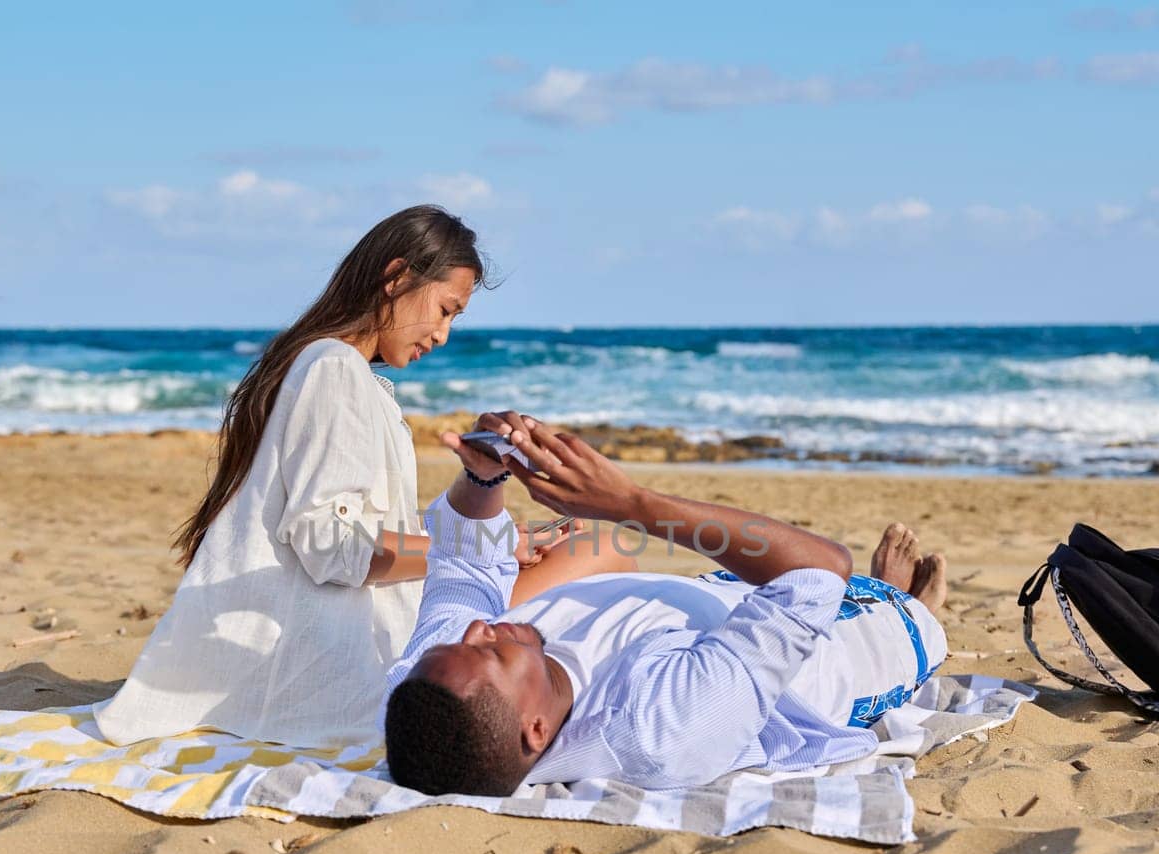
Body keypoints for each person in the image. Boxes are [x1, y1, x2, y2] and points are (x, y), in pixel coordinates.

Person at [94, 209, 631, 749]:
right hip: (347, 663)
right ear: (396, 278)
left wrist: (486, 516)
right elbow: (332, 547)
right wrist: (480, 547)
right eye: (445, 310)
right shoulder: (333, 369)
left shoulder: (330, 369)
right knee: (600, 551)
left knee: (585, 546)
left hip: (343, 636)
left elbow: (351, 528)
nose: (443, 335)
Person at [383, 411, 950, 796]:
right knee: (905, 624)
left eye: (469, 636)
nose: (482, 628)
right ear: (535, 731)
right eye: (495, 654)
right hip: (827, 664)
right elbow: (820, 569)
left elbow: (463, 565)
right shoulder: (658, 726)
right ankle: (903, 602)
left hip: (707, 601)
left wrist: (483, 477)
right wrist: (630, 503)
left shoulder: (432, 682)